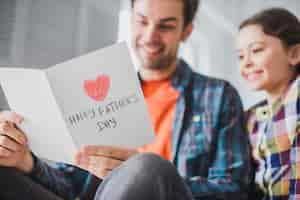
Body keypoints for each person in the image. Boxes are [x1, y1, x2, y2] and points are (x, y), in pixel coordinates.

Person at [0, 0, 251, 199]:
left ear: (186, 31)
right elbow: (72, 185)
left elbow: (234, 189)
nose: (150, 36)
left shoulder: (218, 96)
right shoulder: (107, 95)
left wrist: (151, 179)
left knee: (148, 167)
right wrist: (25, 161)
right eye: (142, 22)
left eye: (165, 26)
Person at [235, 7, 300, 200]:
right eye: (240, 56)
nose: (246, 62)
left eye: (256, 50)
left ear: (295, 54)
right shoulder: (252, 118)